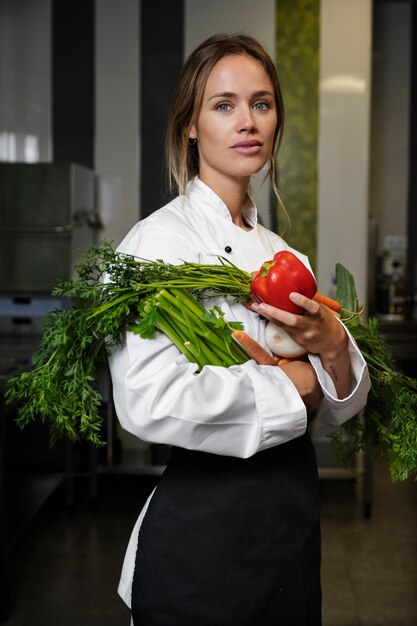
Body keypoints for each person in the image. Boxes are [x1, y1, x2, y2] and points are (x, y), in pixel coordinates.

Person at [109, 33, 371, 626]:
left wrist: (333, 350)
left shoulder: (282, 252)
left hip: (289, 531)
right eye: (223, 105)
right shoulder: (159, 243)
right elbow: (148, 401)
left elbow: (337, 410)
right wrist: (292, 386)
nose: (247, 121)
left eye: (262, 103)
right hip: (201, 535)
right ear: (190, 126)